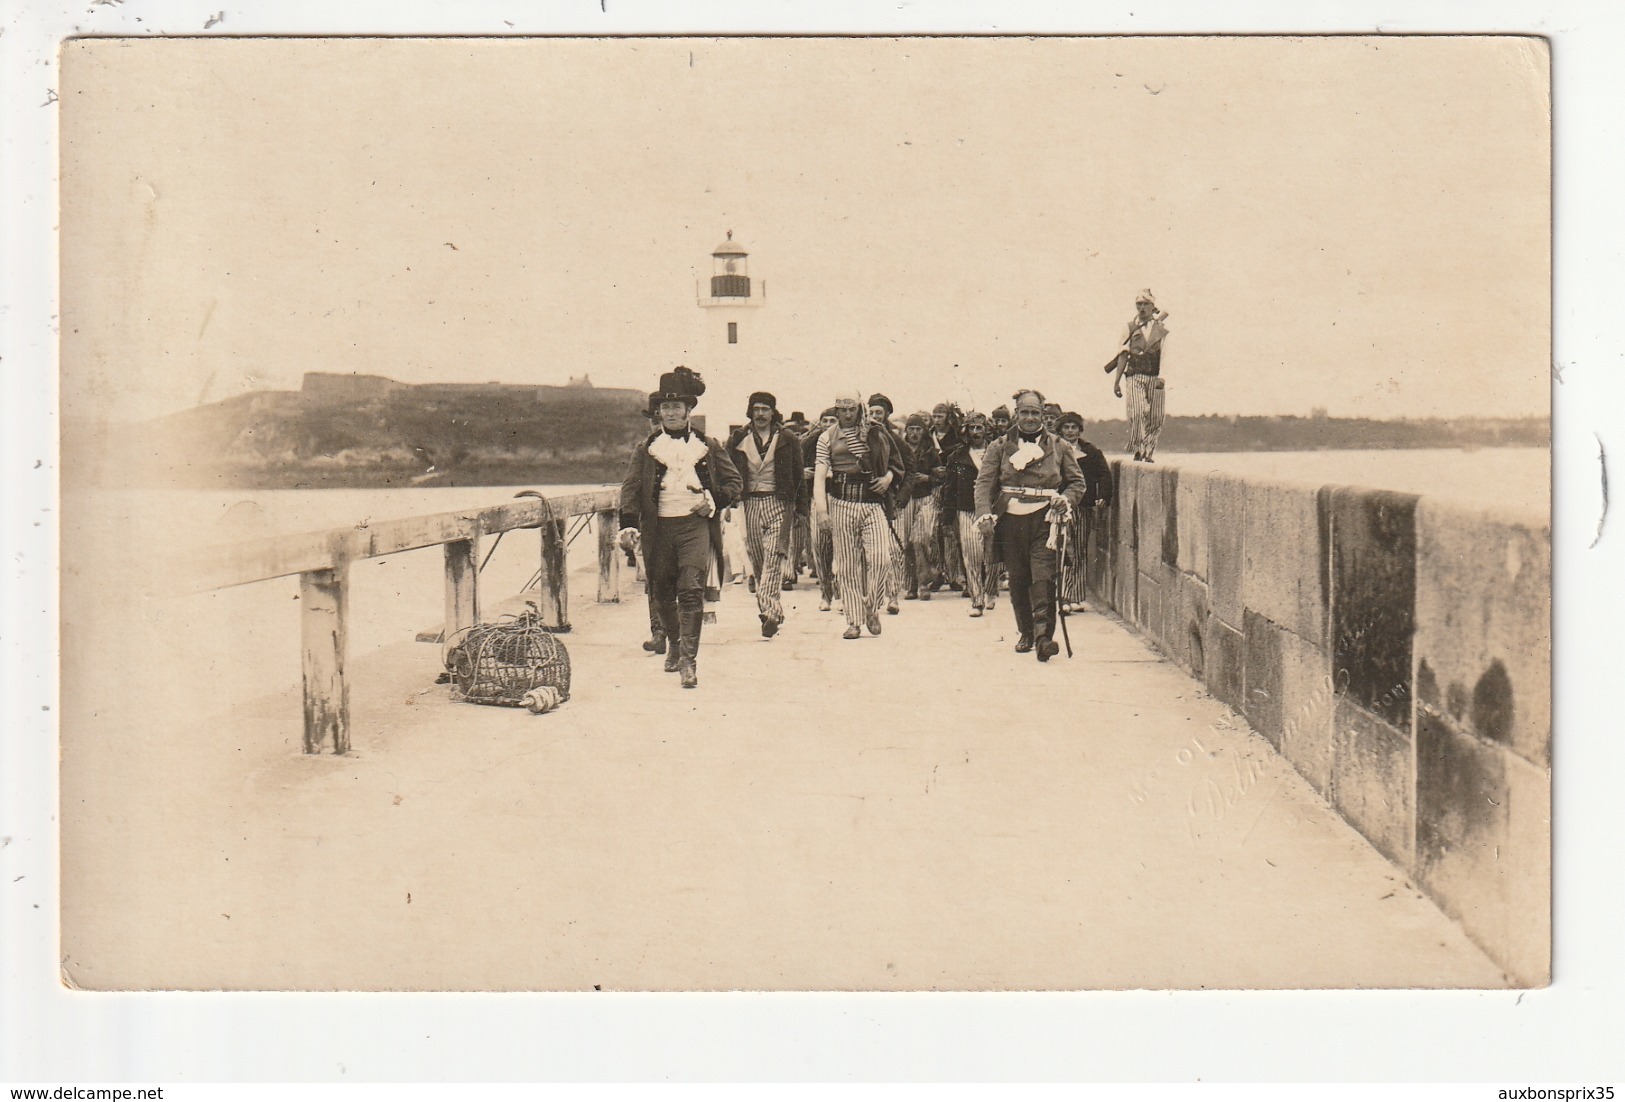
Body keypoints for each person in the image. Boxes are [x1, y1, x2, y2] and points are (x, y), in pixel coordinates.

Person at [618, 367, 743, 689]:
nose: (671, 412)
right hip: (658, 529)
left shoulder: (708, 445)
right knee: (661, 593)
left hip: (694, 527)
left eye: (678, 407)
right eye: (665, 408)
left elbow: (734, 483)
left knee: (690, 589)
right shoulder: (645, 449)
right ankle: (673, 642)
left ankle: (689, 660)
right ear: (658, 413)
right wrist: (628, 525)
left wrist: (712, 500)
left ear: (689, 411)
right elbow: (631, 488)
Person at [973, 389, 1086, 662]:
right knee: (1019, 578)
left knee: (1043, 576)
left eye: (1036, 413)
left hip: (1046, 519)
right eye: (1025, 412)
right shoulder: (999, 446)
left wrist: (1065, 500)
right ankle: (1025, 632)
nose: (1031, 418)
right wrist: (984, 515)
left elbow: (1077, 483)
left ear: (1043, 415)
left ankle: (1043, 638)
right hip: (1010, 520)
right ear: (1016, 414)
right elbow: (984, 484)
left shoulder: (1059, 445)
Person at [815, 393, 903, 639]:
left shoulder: (875, 432)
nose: (847, 414)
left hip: (872, 501)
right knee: (847, 565)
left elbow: (898, 462)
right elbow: (820, 475)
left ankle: (871, 607)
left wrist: (888, 478)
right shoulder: (826, 437)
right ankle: (854, 621)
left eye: (852, 408)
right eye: (842, 409)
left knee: (881, 558)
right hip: (841, 502)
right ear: (836, 410)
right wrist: (822, 510)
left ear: (859, 408)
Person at [726, 392, 807, 638]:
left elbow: (798, 474)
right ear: (750, 412)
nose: (760, 414)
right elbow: (728, 470)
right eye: (756, 409)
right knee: (758, 558)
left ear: (773, 412)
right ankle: (773, 611)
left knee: (774, 555)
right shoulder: (738, 438)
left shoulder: (787, 438)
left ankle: (770, 614)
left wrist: (801, 509)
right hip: (750, 503)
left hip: (779, 502)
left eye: (765, 409)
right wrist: (728, 501)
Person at [1054, 411, 1114, 613]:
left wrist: (1104, 495)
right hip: (1059, 506)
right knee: (1063, 550)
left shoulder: (1091, 452)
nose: (1070, 431)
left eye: (1074, 427)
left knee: (1079, 550)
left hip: (1083, 507)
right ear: (1060, 430)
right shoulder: (1052, 449)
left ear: (1080, 430)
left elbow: (1104, 474)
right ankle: (1063, 595)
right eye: (1066, 427)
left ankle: (1077, 595)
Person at [942, 410, 997, 617]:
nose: (976, 432)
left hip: (992, 510)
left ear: (986, 430)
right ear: (966, 431)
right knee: (972, 555)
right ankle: (977, 599)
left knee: (993, 556)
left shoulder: (996, 452)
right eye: (972, 428)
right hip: (966, 511)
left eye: (979, 428)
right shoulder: (957, 457)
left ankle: (991, 590)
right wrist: (947, 518)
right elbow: (950, 488)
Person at [1108, 289, 1171, 462]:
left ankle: (1149, 450)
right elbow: (1122, 355)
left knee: (1156, 417)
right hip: (1134, 375)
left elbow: (1166, 354)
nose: (1142, 307)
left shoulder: (1161, 329)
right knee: (1136, 413)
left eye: (1146, 304)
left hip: (1155, 376)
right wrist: (1117, 382)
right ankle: (1138, 448)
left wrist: (1162, 376)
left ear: (1153, 307)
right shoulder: (1129, 328)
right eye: (1139, 304)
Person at [867, 393, 909, 615]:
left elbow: (906, 469)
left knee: (892, 549)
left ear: (887, 416)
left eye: (878, 413)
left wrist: (899, 494)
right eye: (871, 412)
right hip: (867, 500)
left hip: (891, 500)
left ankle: (893, 596)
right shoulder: (862, 434)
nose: (874, 416)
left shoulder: (895, 439)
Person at [896, 412, 943, 600]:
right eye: (911, 429)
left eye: (918, 429)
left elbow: (941, 475)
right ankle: (912, 585)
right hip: (906, 499)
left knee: (920, 539)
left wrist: (927, 478)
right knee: (907, 543)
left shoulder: (930, 451)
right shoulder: (899, 450)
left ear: (923, 431)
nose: (914, 433)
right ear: (906, 431)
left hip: (925, 498)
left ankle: (924, 582)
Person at [807, 407, 840, 612]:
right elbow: (796, 467)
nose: (828, 425)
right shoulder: (811, 443)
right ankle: (826, 593)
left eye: (832, 420)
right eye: (825, 420)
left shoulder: (845, 442)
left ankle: (843, 592)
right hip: (818, 500)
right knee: (820, 546)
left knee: (843, 548)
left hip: (840, 499)